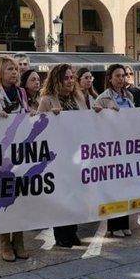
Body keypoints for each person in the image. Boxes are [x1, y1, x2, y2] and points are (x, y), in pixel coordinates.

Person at [0, 56, 31, 262]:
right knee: (2, 198)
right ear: (0, 71)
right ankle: (4, 242)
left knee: (20, 197)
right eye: (10, 69)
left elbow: (26, 116)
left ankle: (19, 240)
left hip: (20, 154)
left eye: (16, 69)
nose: (15, 73)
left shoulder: (21, 92)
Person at [38, 64, 89, 247]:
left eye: (71, 78)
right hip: (57, 156)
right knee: (62, 195)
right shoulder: (47, 100)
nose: (69, 81)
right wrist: (51, 118)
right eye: (65, 78)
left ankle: (72, 230)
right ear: (57, 80)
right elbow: (38, 127)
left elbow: (86, 120)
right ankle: (61, 234)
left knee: (74, 194)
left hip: (76, 155)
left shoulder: (78, 97)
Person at [96, 64, 136, 237]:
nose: (121, 79)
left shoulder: (129, 96)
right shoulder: (103, 98)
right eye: (117, 76)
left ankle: (124, 222)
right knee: (114, 187)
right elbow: (96, 121)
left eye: (123, 75)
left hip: (127, 146)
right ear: (110, 78)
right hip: (112, 147)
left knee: (126, 186)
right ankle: (113, 226)